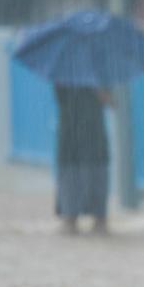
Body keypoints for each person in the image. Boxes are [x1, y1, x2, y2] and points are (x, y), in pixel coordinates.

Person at [53, 85, 113, 234]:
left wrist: (100, 91)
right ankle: (70, 218)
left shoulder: (101, 73)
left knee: (97, 173)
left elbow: (112, 102)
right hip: (70, 131)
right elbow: (60, 97)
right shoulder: (64, 75)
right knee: (70, 173)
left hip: (94, 131)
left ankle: (100, 219)